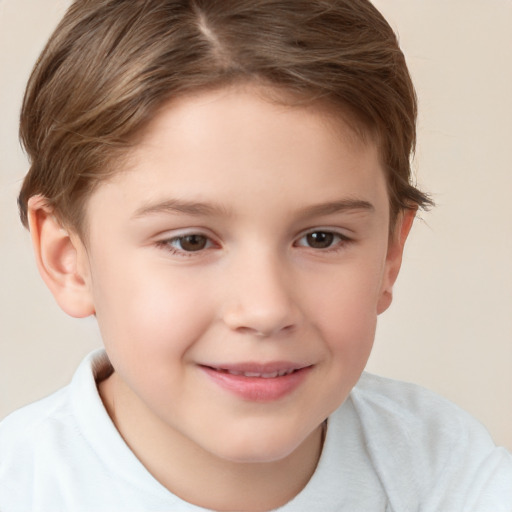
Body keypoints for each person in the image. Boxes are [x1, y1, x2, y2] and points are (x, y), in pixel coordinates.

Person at [1, 0, 511, 510]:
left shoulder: (450, 477)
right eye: (190, 241)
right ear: (69, 257)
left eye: (321, 238)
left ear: (390, 255)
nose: (266, 309)